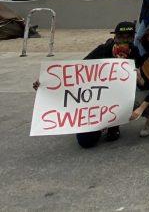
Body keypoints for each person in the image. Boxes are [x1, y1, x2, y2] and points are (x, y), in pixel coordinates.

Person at [31, 21, 139, 149]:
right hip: (95, 99)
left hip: (117, 98)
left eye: (128, 37)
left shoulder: (135, 52)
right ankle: (97, 123)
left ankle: (113, 125)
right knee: (86, 141)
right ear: (115, 37)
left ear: (133, 38)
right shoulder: (103, 49)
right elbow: (77, 70)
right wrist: (47, 82)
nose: (124, 41)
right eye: (121, 37)